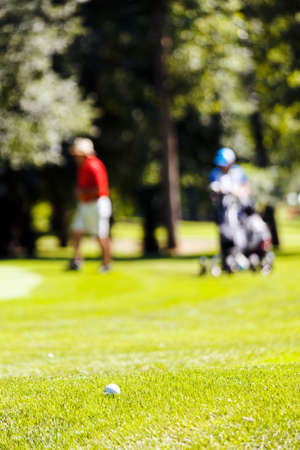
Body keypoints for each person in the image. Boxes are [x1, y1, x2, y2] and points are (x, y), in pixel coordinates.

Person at [68, 137, 112, 272]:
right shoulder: (82, 167)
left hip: (96, 203)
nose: (76, 157)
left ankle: (106, 264)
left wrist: (82, 192)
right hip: (85, 204)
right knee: (76, 231)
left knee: (100, 235)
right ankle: (77, 261)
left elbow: (99, 189)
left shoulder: (94, 165)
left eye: (78, 154)